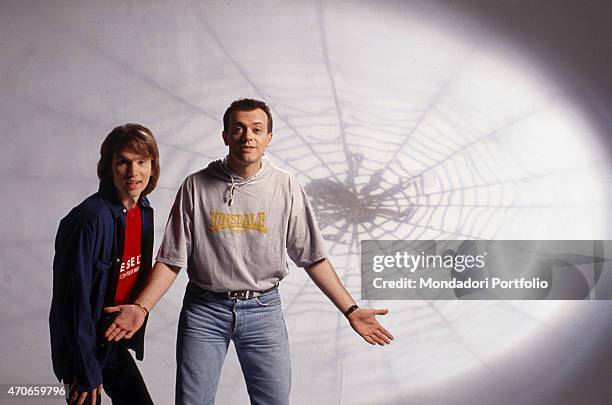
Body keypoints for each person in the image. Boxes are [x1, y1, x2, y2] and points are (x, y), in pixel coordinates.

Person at [104, 99, 394, 405]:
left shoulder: (285, 186)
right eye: (238, 129)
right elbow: (171, 259)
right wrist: (141, 308)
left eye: (257, 129)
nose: (247, 137)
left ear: (269, 137)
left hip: (263, 310)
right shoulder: (196, 186)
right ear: (225, 135)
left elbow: (312, 256)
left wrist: (350, 310)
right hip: (204, 311)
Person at [49, 124, 160, 405]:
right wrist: (85, 367)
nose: (133, 173)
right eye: (123, 161)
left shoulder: (143, 211)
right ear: (109, 167)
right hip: (83, 344)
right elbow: (72, 302)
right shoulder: (89, 219)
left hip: (112, 338)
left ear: (152, 166)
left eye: (141, 162)